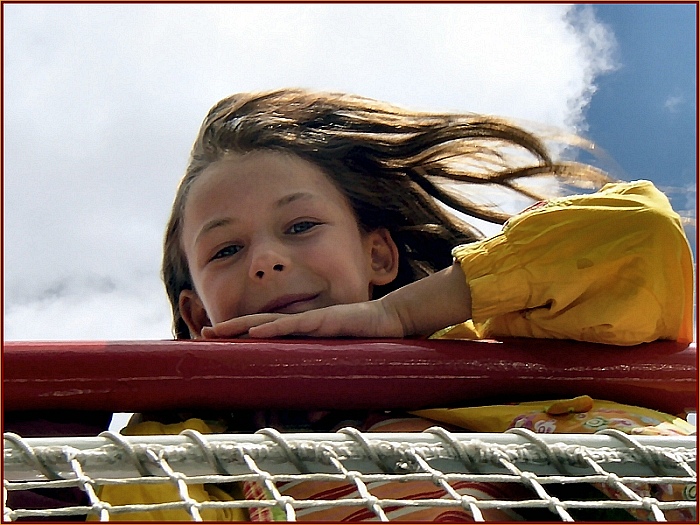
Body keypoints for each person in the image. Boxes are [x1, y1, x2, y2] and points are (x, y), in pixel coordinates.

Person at [98, 88, 694, 521]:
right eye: (226, 249)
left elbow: (640, 233)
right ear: (199, 315)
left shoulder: (480, 338)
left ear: (379, 256)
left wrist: (401, 316)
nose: (266, 260)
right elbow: (140, 507)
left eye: (301, 225)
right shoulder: (193, 441)